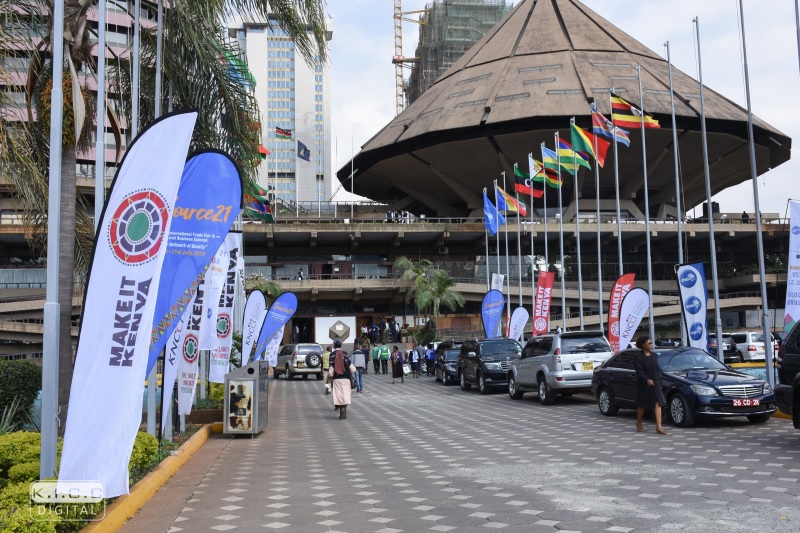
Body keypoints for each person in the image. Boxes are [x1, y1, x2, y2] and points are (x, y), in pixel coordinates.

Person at [633, 335, 667, 435]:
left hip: (655, 383)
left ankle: (659, 427)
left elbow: (656, 371)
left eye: (651, 343)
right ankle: (638, 423)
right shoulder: (638, 356)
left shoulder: (654, 356)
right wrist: (646, 379)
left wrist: (659, 383)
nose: (651, 345)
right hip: (644, 384)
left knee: (658, 403)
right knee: (642, 405)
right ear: (643, 345)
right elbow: (639, 370)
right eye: (649, 343)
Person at [329, 339, 354, 419]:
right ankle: (344, 408)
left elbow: (330, 371)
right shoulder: (345, 354)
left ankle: (341, 410)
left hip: (336, 379)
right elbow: (353, 369)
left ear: (334, 346)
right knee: (346, 394)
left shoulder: (332, 355)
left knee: (338, 395)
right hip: (346, 378)